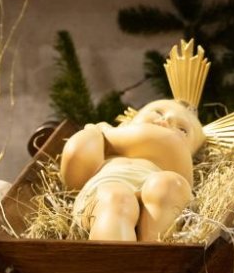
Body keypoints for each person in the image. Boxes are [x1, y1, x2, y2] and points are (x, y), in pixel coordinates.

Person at [62, 97, 204, 242]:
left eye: (182, 129)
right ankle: (116, 258)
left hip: (160, 198)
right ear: (129, 120)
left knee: (169, 185)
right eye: (158, 112)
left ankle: (152, 255)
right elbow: (75, 164)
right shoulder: (105, 150)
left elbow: (167, 141)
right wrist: (93, 134)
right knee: (117, 198)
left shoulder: (177, 156)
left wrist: (106, 131)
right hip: (103, 194)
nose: (166, 121)